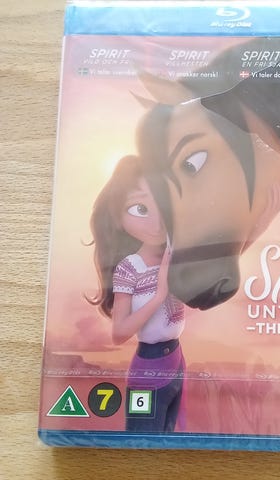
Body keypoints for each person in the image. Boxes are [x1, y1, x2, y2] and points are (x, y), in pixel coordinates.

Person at [89, 155, 185, 432]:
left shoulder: (174, 254)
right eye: (140, 208)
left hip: (177, 358)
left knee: (170, 438)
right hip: (150, 366)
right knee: (143, 441)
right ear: (118, 218)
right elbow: (119, 333)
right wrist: (160, 294)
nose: (157, 222)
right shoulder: (130, 268)